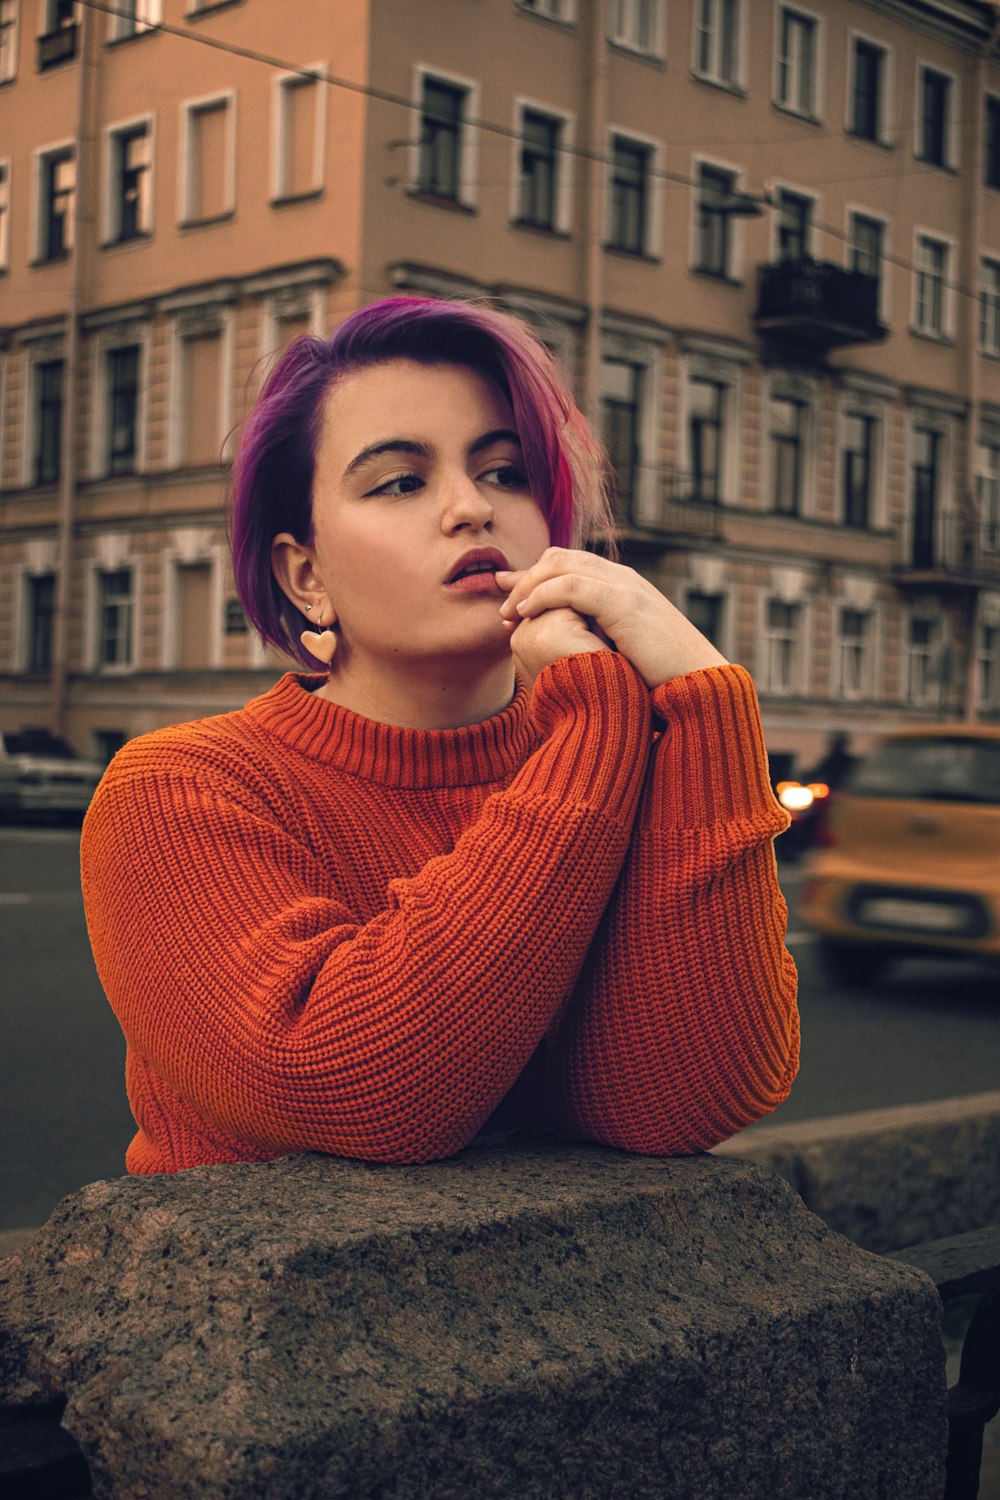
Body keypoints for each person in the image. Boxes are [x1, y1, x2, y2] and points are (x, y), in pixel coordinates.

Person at [80, 296, 799, 1175]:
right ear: (305, 574)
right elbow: (358, 1086)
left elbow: (682, 1099)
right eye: (400, 482)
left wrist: (708, 703)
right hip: (267, 1307)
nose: (471, 508)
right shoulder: (182, 788)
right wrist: (595, 721)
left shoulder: (617, 756)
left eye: (507, 471)